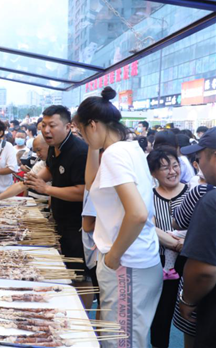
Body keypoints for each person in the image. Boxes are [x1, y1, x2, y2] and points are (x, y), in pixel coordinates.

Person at [75, 87, 161, 348]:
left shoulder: (115, 154)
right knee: (125, 336)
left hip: (126, 261)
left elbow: (137, 214)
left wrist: (113, 256)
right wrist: (92, 146)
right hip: (132, 260)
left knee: (120, 341)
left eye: (81, 131)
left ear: (93, 124)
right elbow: (91, 183)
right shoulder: (127, 148)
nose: (80, 137)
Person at [24, 105, 88, 282]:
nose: (46, 130)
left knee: (80, 276)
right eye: (43, 125)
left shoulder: (79, 152)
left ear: (68, 126)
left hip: (79, 226)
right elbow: (49, 173)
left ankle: (81, 308)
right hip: (60, 219)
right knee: (66, 270)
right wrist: (31, 180)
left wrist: (46, 189)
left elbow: (83, 191)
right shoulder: (54, 147)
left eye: (52, 125)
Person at [176, 128, 216, 347]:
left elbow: (204, 270)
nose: (198, 164)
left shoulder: (211, 201)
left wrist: (187, 300)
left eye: (200, 157)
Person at [146, 148, 188, 348]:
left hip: (190, 262)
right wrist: (177, 244)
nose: (172, 171)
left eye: (175, 165)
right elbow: (149, 228)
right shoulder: (149, 197)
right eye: (164, 168)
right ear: (153, 173)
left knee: (194, 315)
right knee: (161, 315)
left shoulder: (193, 192)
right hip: (160, 264)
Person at [0, 135, 49, 204]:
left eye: (39, 150)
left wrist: (47, 190)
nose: (38, 154)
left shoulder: (54, 163)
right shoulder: (41, 164)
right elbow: (23, 185)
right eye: (35, 151)